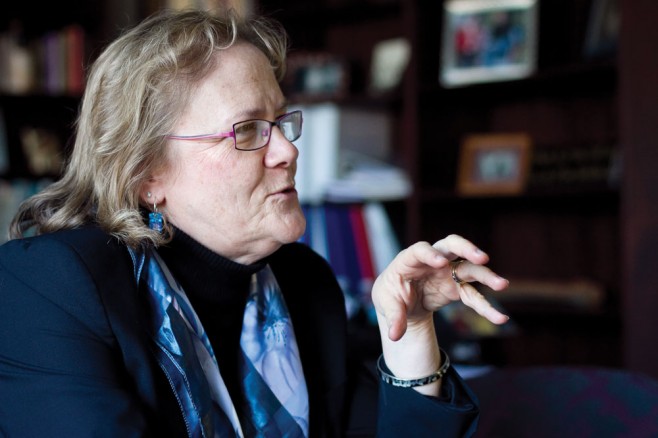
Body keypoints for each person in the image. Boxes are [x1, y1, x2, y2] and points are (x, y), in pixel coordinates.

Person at [0, 8, 509, 438]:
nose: (287, 150)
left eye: (281, 122)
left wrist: (410, 332)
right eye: (246, 130)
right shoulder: (47, 286)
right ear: (147, 174)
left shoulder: (304, 281)